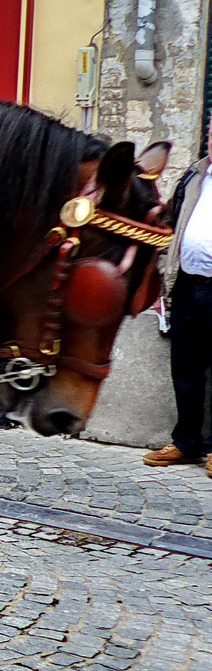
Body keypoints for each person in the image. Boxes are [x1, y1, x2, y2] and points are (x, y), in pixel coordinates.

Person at [144, 147, 212, 475]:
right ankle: (187, 443)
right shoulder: (193, 175)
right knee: (185, 370)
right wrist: (164, 264)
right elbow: (169, 224)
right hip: (187, 285)